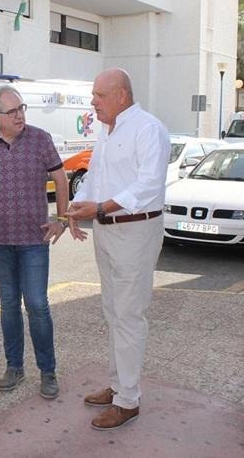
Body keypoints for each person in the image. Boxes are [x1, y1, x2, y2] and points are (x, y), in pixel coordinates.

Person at [66, 68, 170, 430]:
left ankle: (128, 401)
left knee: (128, 315)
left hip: (135, 232)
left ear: (122, 95)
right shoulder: (106, 133)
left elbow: (148, 185)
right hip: (108, 232)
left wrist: (99, 208)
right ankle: (117, 385)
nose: (93, 102)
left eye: (99, 95)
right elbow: (94, 177)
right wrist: (77, 207)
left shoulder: (148, 128)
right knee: (113, 313)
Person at [0, 85, 81, 399]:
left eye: (22, 108)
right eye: (12, 111)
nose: (20, 116)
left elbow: (60, 178)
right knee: (9, 306)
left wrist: (61, 219)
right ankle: (14, 366)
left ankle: (48, 370)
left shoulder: (40, 138)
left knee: (38, 305)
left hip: (34, 239)